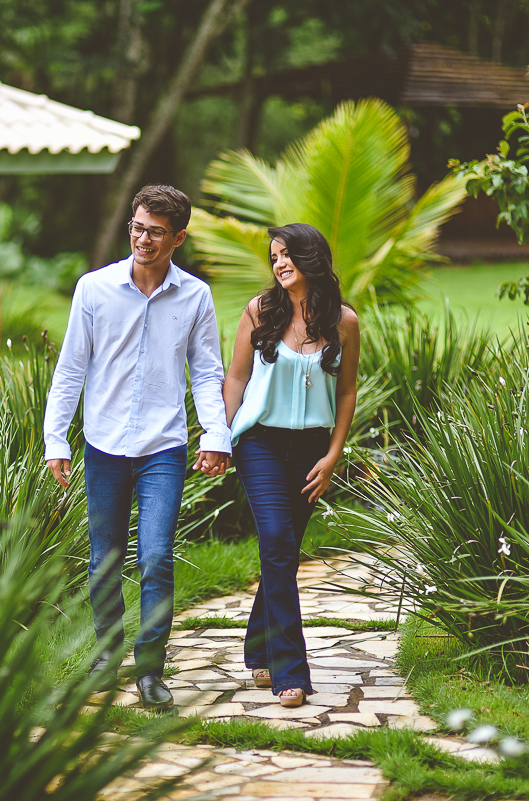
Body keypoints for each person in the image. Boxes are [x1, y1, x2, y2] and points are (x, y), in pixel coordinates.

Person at [44, 185, 231, 712]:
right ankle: (106, 655)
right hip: (103, 444)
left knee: (155, 557)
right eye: (137, 226)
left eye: (155, 231)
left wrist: (216, 436)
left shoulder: (195, 296)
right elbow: (71, 368)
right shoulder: (94, 289)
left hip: (163, 447)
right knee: (104, 558)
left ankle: (150, 669)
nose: (143, 238)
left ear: (178, 238)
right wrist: (56, 437)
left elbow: (207, 372)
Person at [222, 223, 360, 707]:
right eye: (274, 256)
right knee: (278, 542)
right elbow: (236, 378)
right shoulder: (260, 311)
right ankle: (289, 670)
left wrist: (333, 454)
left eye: (287, 255)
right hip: (258, 442)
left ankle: (257, 646)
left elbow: (345, 391)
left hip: (311, 450)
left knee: (282, 551)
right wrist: (222, 437)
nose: (279, 263)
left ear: (310, 259)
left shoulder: (343, 321)